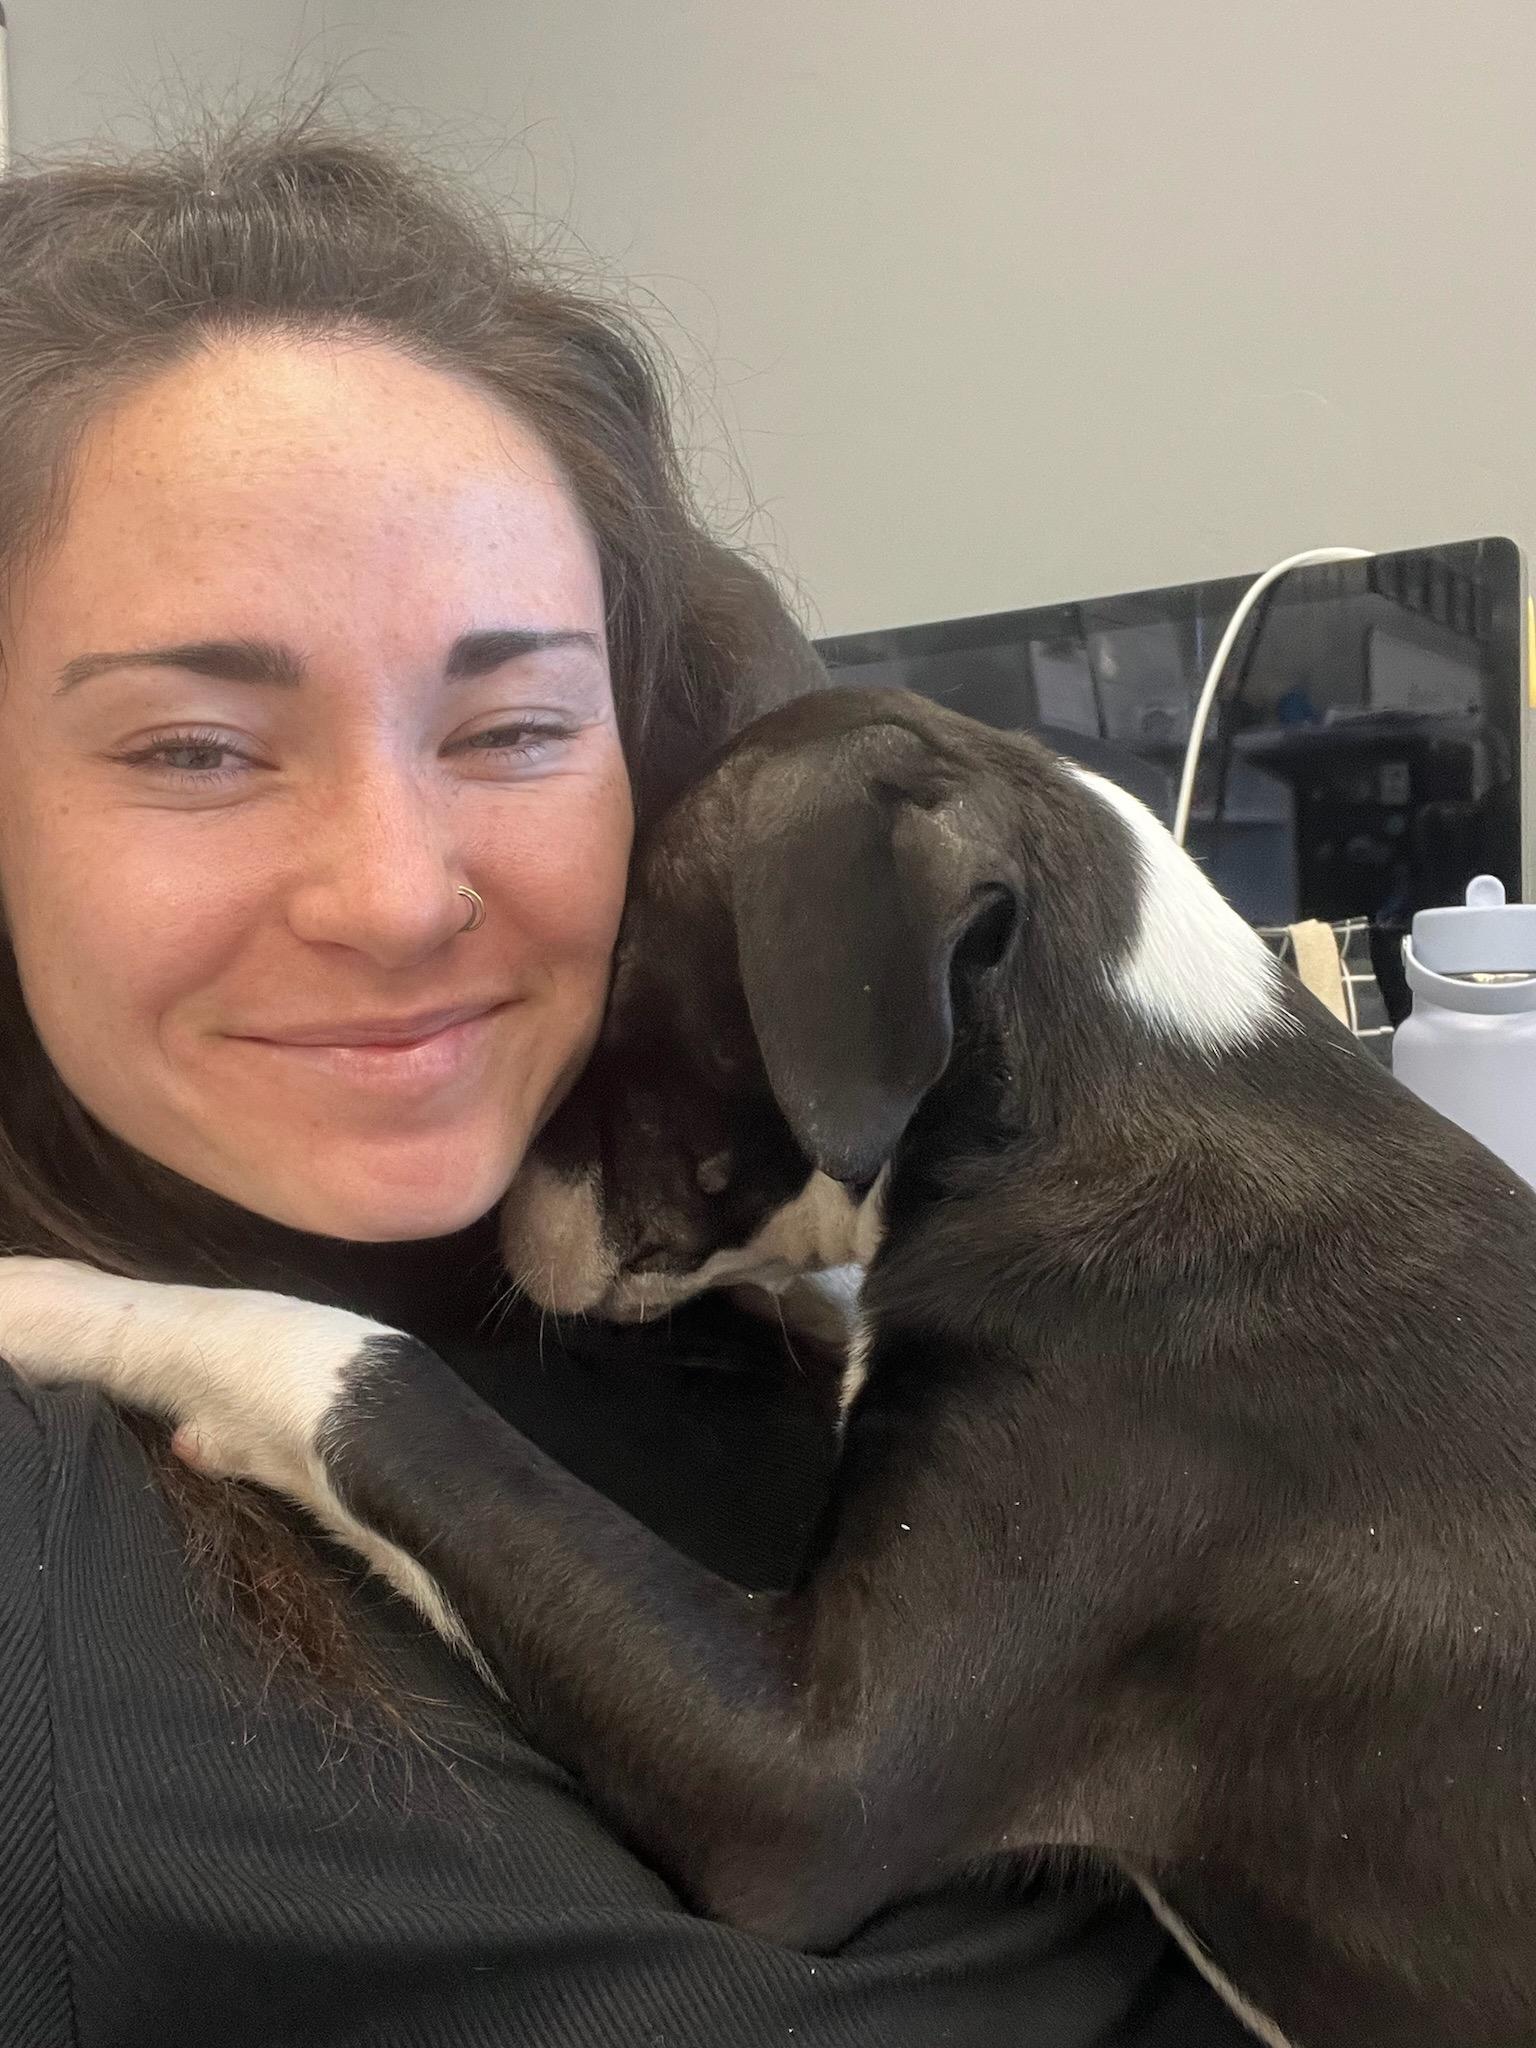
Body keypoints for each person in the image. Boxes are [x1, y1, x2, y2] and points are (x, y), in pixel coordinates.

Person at [0, 113, 1254, 2047]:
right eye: (194, 751)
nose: (401, 898)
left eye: (511, 726)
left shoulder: (699, 1315)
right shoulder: (64, 1584)